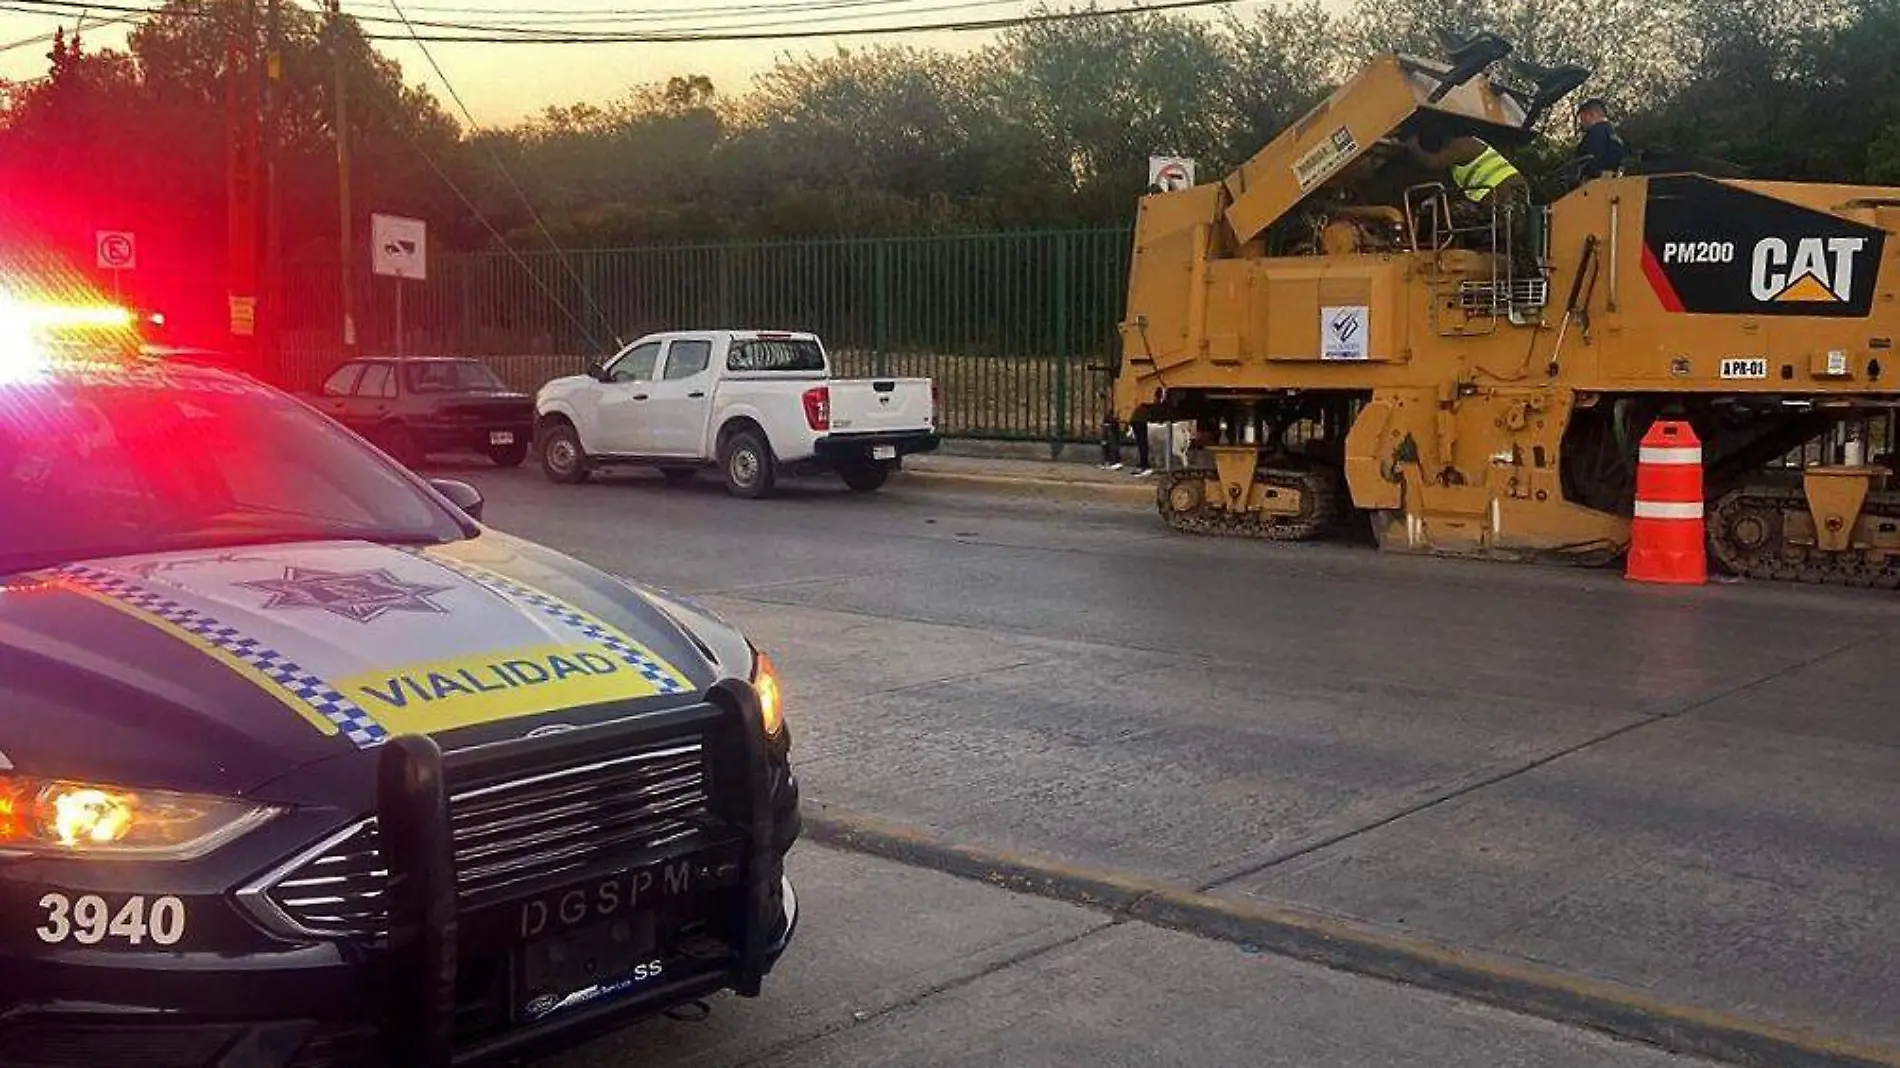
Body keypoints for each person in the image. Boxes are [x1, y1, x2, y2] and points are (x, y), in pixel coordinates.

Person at [1572, 97, 1628, 182]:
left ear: (1592, 114)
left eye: (1583, 119)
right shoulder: (1614, 133)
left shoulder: (1595, 134)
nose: (1581, 123)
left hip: (1595, 187)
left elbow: (1589, 162)